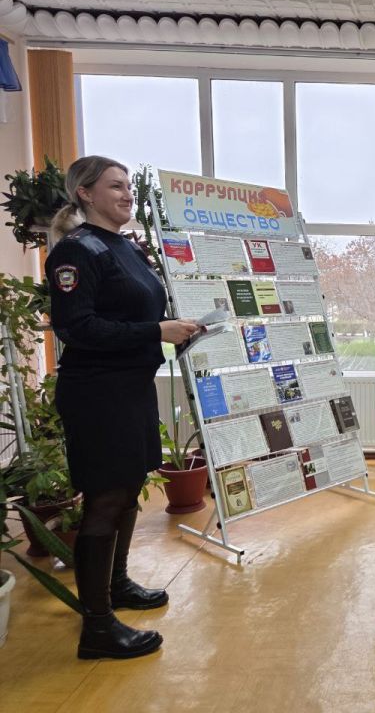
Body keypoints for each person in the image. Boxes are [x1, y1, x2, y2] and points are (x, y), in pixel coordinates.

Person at [46, 156, 198, 660]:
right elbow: (76, 328)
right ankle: (97, 628)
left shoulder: (123, 246)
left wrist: (174, 326)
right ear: (85, 194)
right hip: (97, 395)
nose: (127, 194)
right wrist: (156, 331)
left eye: (129, 186)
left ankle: (116, 586)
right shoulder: (75, 251)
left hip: (130, 388)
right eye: (116, 186)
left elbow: (134, 312)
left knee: (129, 490)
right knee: (105, 500)